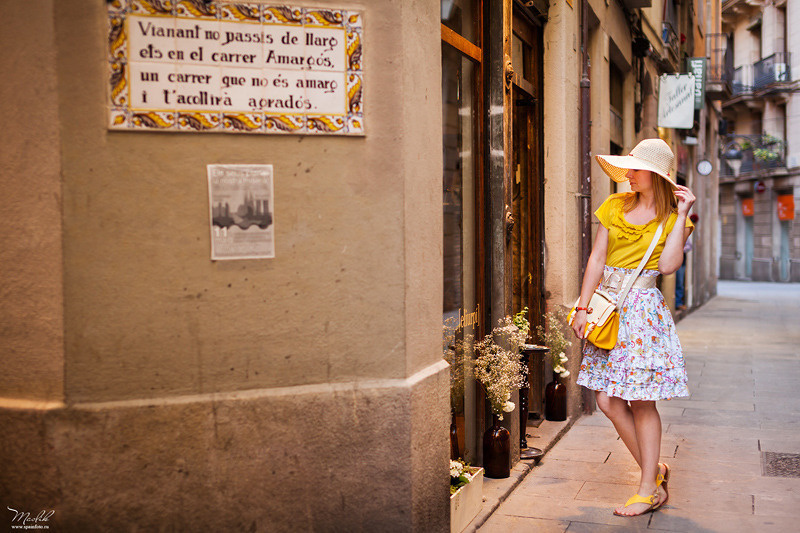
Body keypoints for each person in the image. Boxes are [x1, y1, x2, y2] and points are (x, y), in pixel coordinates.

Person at [572, 138, 694, 517]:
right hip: (609, 308)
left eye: (636, 169)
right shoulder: (614, 206)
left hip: (643, 314)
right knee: (607, 400)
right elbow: (596, 258)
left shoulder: (674, 218)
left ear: (655, 175)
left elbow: (669, 266)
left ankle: (646, 489)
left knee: (641, 400)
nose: (628, 175)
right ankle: (653, 473)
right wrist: (582, 306)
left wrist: (682, 213)